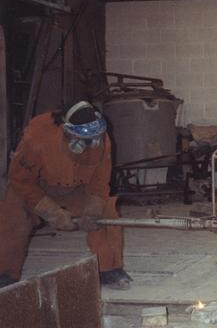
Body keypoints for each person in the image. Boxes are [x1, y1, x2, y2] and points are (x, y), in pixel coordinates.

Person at [0, 100, 132, 290]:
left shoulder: (102, 140)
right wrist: (51, 211)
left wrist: (93, 209)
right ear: (67, 131)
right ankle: (5, 273)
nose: (91, 145)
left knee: (106, 214)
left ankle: (109, 269)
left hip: (75, 188)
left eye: (95, 139)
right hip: (37, 186)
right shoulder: (38, 137)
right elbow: (20, 179)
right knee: (12, 216)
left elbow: (100, 182)